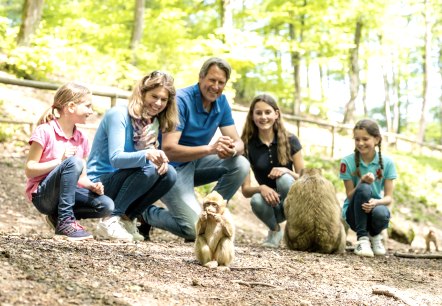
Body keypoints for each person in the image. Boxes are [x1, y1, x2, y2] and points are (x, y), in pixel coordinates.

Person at [141, 57, 250, 241]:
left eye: (221, 82)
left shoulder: (221, 103)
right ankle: (144, 212)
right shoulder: (181, 100)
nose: (216, 86)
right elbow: (169, 149)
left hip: (195, 163)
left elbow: (239, 143)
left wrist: (231, 149)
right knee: (194, 230)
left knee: (240, 164)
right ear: (201, 77)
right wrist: (211, 149)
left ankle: (211, 213)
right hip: (170, 169)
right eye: (212, 80)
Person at [87, 71, 178, 242]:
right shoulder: (118, 114)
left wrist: (158, 161)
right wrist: (148, 154)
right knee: (149, 166)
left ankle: (127, 219)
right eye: (154, 96)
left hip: (126, 179)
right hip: (99, 182)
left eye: (164, 100)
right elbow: (116, 158)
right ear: (142, 93)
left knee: (169, 173)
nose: (158, 103)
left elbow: (146, 161)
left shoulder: (152, 123)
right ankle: (110, 219)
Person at [25, 82, 114, 241]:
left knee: (106, 205)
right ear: (71, 106)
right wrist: (59, 161)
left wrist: (91, 186)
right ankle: (66, 222)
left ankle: (59, 217)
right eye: (87, 106)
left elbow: (81, 177)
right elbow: (29, 169)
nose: (91, 111)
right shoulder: (44, 131)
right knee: (73, 162)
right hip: (43, 196)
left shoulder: (81, 138)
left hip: (67, 194)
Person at [240, 94, 304, 248]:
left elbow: (305, 178)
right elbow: (246, 190)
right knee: (256, 199)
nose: (263, 117)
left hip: (293, 201)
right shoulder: (247, 145)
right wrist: (262, 188)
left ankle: (296, 229)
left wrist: (286, 171)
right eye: (258, 113)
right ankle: (275, 231)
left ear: (276, 114)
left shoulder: (291, 140)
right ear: (252, 116)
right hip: (269, 204)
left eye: (268, 112)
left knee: (284, 179)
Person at [340, 119, 397, 257]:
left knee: (382, 213)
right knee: (364, 188)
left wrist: (376, 202)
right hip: (354, 214)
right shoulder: (347, 162)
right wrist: (361, 182)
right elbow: (349, 195)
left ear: (376, 139)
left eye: (365, 139)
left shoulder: (388, 163)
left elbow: (389, 197)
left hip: (375, 209)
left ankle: (375, 236)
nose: (360, 143)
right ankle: (362, 239)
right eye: (357, 139)